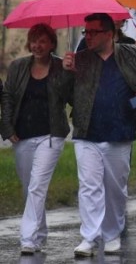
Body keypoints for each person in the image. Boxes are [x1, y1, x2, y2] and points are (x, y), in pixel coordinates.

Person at [60, 13, 136, 257]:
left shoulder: (132, 53)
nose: (87, 37)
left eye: (93, 32)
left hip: (119, 131)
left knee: (114, 188)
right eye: (85, 32)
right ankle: (88, 238)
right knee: (89, 186)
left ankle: (112, 234)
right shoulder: (80, 59)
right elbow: (65, 95)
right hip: (85, 132)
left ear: (109, 33)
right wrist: (65, 72)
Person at [0, 24, 69, 255]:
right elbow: (8, 97)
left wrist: (70, 72)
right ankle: (40, 232)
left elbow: (71, 96)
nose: (37, 46)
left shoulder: (61, 67)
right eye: (33, 41)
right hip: (22, 136)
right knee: (29, 189)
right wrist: (7, 127)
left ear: (52, 44)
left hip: (51, 136)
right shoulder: (19, 66)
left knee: (38, 186)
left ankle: (28, 239)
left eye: (42, 41)